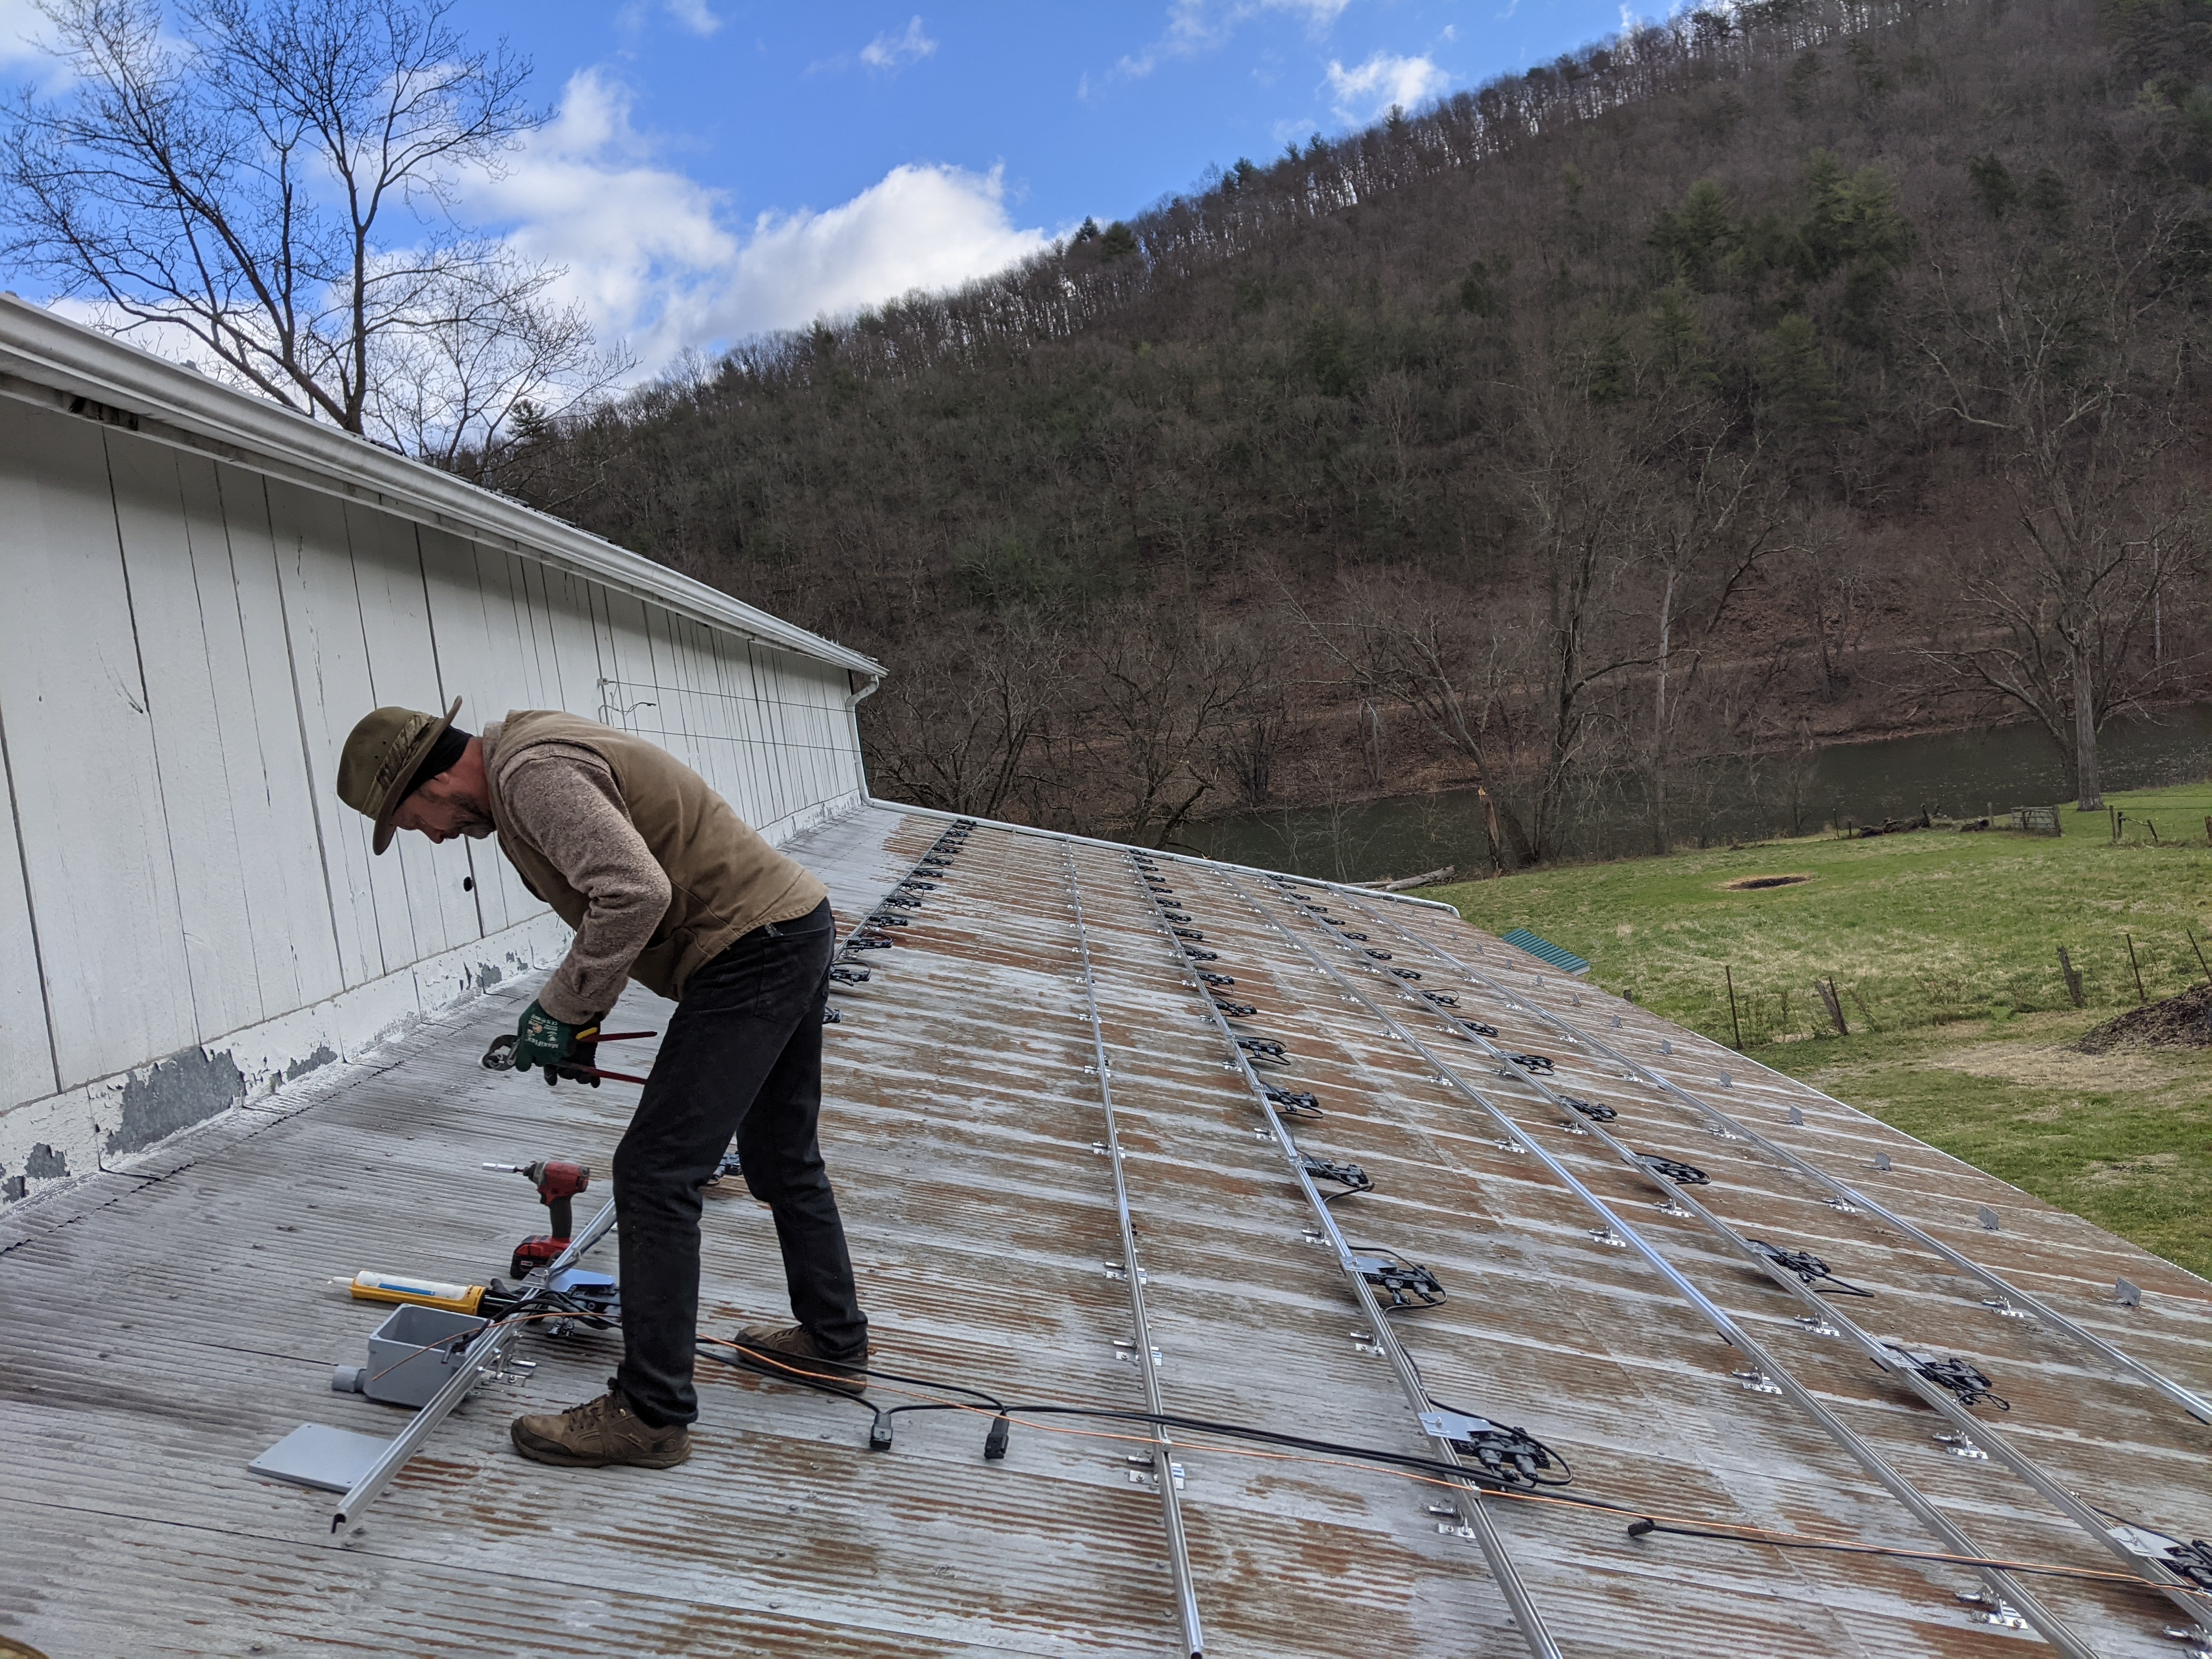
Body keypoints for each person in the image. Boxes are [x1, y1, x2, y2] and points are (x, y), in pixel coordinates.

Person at [335, 698, 870, 1469]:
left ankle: (650, 1413)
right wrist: (584, 1017)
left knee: (654, 1174)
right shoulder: (531, 758)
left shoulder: (531, 774)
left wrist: (562, 1008)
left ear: (435, 779)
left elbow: (633, 892)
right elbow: (629, 895)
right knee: (782, 1155)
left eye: (411, 817)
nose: (428, 834)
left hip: (752, 948)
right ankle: (832, 1339)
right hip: (790, 924)